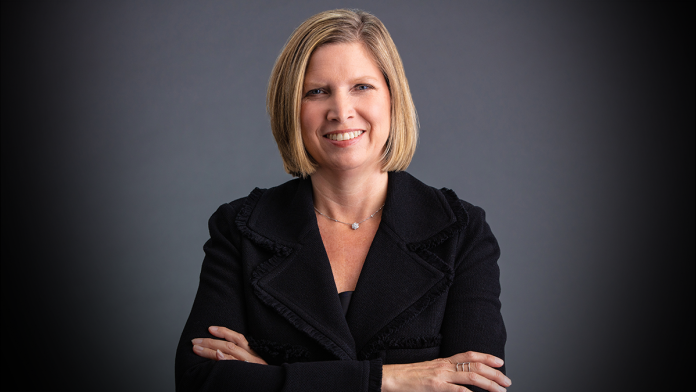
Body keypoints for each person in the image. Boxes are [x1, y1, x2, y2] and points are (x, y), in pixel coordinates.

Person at [175, 9, 510, 392]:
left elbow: (478, 386)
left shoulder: (462, 231)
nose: (341, 111)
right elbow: (200, 384)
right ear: (292, 109)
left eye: (361, 87)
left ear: (392, 97)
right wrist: (389, 379)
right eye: (317, 91)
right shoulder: (240, 229)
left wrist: (269, 376)